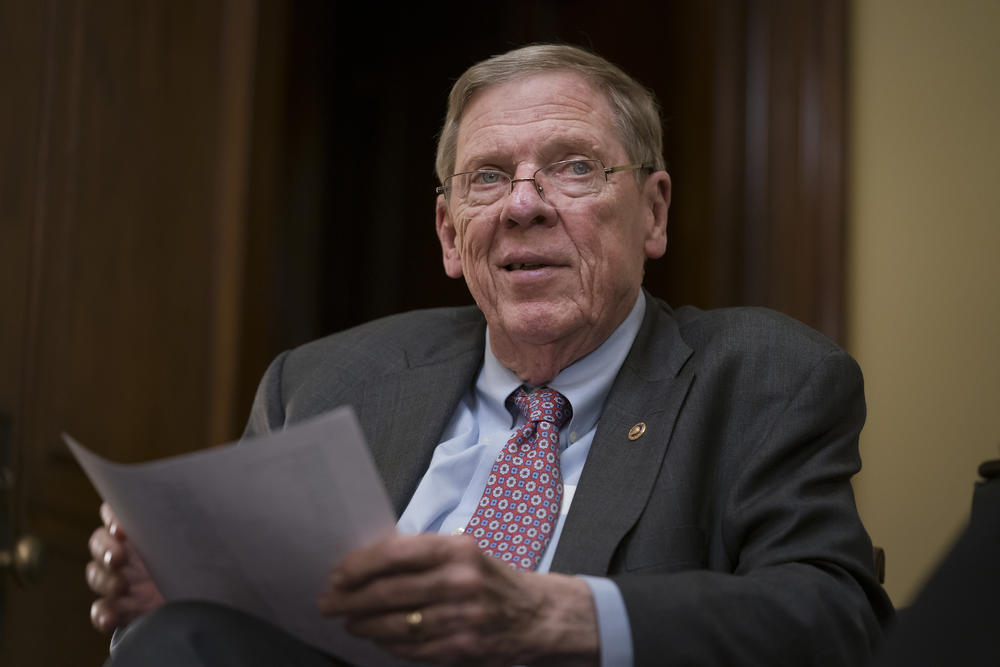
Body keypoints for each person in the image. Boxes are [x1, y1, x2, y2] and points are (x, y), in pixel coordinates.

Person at [85, 43, 893, 666]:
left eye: (574, 166)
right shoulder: (325, 382)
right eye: (488, 177)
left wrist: (556, 613)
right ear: (448, 233)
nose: (524, 204)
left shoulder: (760, 376)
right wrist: (176, 588)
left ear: (652, 211)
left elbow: (834, 617)